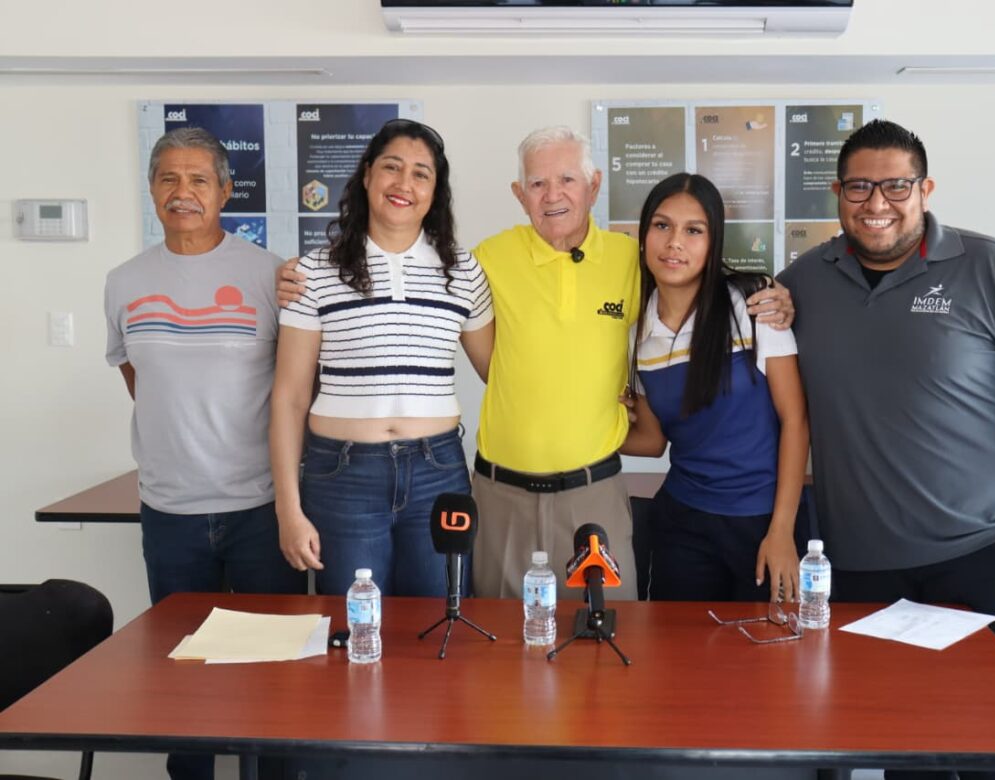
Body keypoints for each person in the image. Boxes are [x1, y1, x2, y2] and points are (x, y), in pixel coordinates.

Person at [279, 126, 794, 600]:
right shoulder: (480, 263)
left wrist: (773, 295)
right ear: (519, 194)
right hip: (500, 492)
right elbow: (493, 367)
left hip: (595, 490)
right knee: (495, 645)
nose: (553, 195)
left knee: (606, 639)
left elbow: (691, 284)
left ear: (593, 186)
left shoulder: (632, 262)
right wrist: (288, 276)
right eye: (538, 183)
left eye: (567, 179)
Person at [777, 120, 995, 780]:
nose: (877, 203)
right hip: (865, 568)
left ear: (925, 190)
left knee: (994, 750)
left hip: (986, 556)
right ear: (837, 193)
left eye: (896, 186)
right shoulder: (803, 283)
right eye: (859, 187)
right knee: (907, 748)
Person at [104, 127, 307, 780]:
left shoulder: (270, 275)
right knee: (182, 669)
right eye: (168, 178)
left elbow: (295, 387)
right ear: (151, 190)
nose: (182, 192)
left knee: (274, 669)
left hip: (261, 508)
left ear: (225, 190)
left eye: (197, 179)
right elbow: (137, 376)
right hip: (170, 512)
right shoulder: (124, 281)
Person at [271, 119, 493, 597]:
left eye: (421, 173)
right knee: (355, 627)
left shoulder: (464, 271)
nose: (404, 183)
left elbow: (500, 374)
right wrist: (287, 509)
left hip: (438, 473)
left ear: (435, 191)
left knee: (439, 623)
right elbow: (289, 397)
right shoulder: (314, 271)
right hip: (342, 477)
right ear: (367, 175)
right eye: (392, 167)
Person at [621, 173, 808, 603]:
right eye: (662, 225)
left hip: (762, 521)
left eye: (694, 230)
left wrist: (781, 531)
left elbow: (795, 420)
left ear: (714, 241)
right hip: (682, 524)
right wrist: (587, 430)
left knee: (768, 645)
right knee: (679, 645)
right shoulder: (637, 335)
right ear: (644, 235)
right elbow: (652, 441)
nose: (674, 243)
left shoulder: (753, 304)